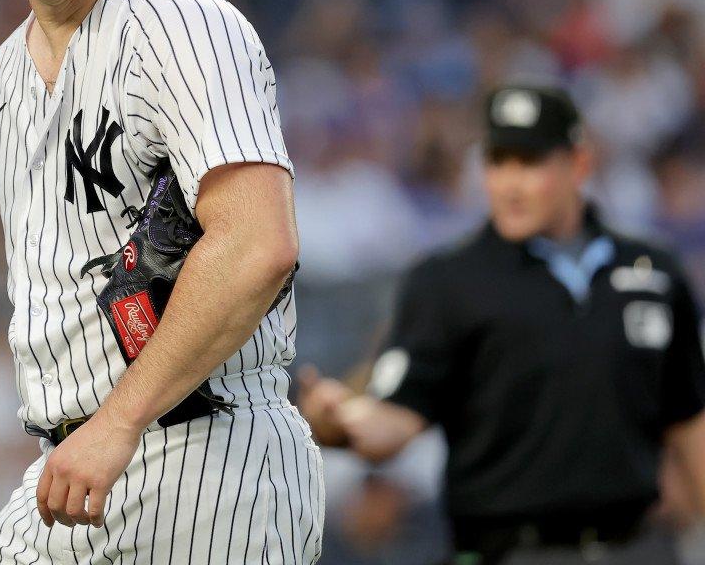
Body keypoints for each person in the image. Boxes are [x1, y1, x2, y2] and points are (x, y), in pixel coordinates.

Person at [0, 0, 323, 565]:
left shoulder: (182, 26)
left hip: (206, 455)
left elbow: (259, 243)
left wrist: (118, 420)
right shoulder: (5, 72)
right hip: (75, 468)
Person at [301, 84, 705, 565]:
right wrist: (340, 423)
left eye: (529, 163)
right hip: (508, 550)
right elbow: (397, 412)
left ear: (578, 164)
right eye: (498, 162)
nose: (508, 183)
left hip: (639, 547)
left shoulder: (653, 271)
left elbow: (689, 418)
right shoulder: (448, 280)